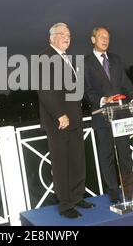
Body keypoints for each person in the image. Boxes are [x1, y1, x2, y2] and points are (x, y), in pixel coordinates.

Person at [36, 22, 94, 219]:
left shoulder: (66, 58)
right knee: (62, 164)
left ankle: (77, 197)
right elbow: (45, 91)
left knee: (77, 160)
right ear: (51, 38)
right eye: (62, 34)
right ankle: (65, 204)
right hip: (59, 121)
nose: (67, 37)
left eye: (69, 34)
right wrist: (59, 114)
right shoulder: (45, 57)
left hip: (75, 119)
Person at [84, 26, 133, 204]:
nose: (105, 40)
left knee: (124, 152)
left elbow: (126, 84)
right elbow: (86, 91)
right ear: (93, 39)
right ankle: (113, 190)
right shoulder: (85, 63)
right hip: (101, 115)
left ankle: (129, 189)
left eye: (107, 37)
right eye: (101, 37)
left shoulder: (116, 59)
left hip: (122, 114)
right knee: (106, 154)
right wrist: (103, 99)